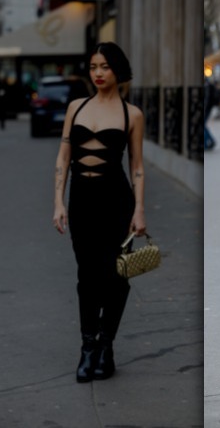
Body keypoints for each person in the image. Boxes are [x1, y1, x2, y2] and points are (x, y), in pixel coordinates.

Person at [53, 42, 146, 383]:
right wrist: (58, 202)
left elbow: (136, 166)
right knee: (87, 276)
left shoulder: (131, 114)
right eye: (93, 67)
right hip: (82, 200)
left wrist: (139, 209)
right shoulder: (75, 108)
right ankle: (88, 348)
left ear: (117, 70)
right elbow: (64, 157)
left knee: (117, 276)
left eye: (105, 66)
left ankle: (106, 345)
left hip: (116, 200)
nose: (98, 73)